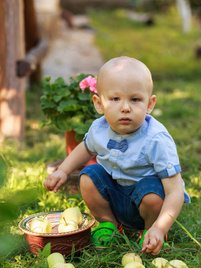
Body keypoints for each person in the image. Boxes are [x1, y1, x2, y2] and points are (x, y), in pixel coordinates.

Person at [44, 56, 190, 255]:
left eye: (135, 99)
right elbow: (85, 148)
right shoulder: (100, 128)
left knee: (152, 193)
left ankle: (151, 231)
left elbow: (175, 192)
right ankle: (110, 224)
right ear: (99, 103)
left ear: (149, 104)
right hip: (116, 197)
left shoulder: (156, 139)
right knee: (88, 176)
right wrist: (62, 171)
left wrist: (160, 226)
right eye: (115, 99)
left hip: (147, 203)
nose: (125, 107)